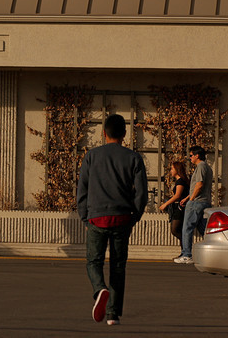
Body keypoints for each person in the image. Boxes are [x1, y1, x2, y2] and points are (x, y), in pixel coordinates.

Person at [77, 114, 148, 326]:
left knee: (93, 261)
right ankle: (113, 314)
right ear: (124, 134)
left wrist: (84, 215)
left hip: (97, 217)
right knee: (118, 266)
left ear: (103, 132)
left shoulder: (92, 156)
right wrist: (135, 215)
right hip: (122, 218)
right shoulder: (134, 158)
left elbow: (83, 188)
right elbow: (141, 193)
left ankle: (100, 289)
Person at [174, 145, 213, 264]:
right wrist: (187, 198)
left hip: (196, 202)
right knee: (203, 229)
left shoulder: (201, 166)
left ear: (197, 156)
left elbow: (199, 185)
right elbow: (196, 187)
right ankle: (213, 251)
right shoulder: (207, 167)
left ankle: (187, 254)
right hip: (203, 202)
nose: (189, 158)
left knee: (187, 228)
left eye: (191, 155)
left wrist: (191, 199)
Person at [158, 160, 189, 246]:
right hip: (179, 208)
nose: (171, 171)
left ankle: (187, 248)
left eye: (172, 169)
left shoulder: (180, 181)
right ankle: (184, 251)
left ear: (177, 169)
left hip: (179, 209)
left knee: (175, 230)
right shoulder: (181, 181)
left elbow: (177, 195)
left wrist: (165, 204)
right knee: (178, 230)